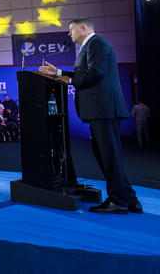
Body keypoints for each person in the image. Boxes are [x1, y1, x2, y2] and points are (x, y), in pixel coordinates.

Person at [40, 17, 142, 214]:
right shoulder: (91, 47)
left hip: (104, 109)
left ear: (84, 28)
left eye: (71, 30)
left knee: (109, 156)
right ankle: (129, 199)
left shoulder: (98, 44)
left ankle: (119, 200)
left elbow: (94, 73)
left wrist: (63, 77)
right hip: (101, 110)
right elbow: (88, 73)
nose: (69, 34)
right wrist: (58, 73)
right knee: (107, 155)